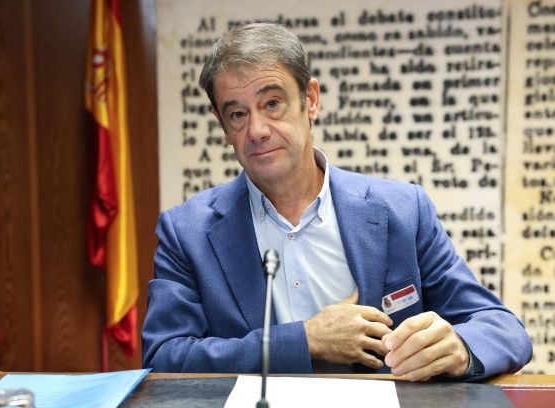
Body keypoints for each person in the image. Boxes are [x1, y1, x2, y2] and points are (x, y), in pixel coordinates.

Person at [142, 23, 532, 381]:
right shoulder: (187, 232)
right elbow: (165, 357)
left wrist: (460, 349)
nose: (257, 130)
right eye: (238, 114)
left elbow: (501, 329)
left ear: (310, 100)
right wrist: (304, 341)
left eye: (273, 103)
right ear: (222, 125)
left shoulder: (403, 210)